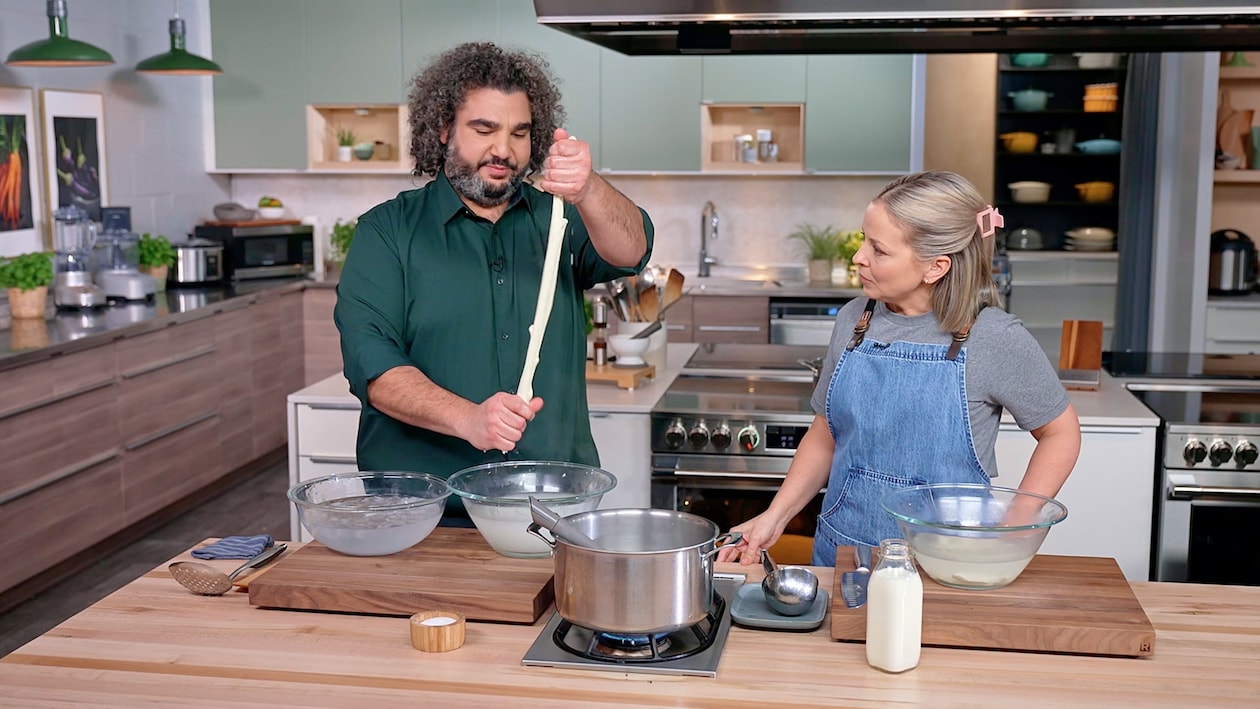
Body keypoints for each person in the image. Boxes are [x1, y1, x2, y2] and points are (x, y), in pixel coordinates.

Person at [334, 42, 654, 521]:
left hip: (549, 505)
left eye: (519, 133)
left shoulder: (560, 218)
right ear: (443, 129)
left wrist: (587, 187)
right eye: (484, 129)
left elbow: (633, 249)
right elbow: (374, 368)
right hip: (422, 510)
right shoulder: (387, 232)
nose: (503, 149)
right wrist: (469, 418)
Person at [717, 171, 1081, 567]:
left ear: (935, 267)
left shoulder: (992, 336)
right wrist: (777, 516)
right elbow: (825, 434)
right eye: (863, 240)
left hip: (946, 564)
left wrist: (1016, 529)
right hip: (844, 554)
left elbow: (1060, 432)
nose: (859, 257)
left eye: (879, 250)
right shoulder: (855, 320)